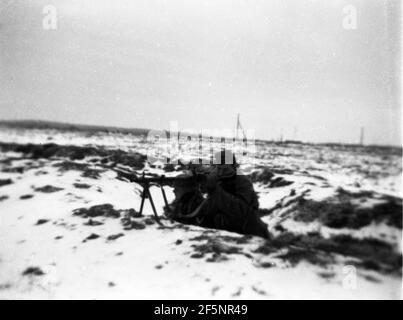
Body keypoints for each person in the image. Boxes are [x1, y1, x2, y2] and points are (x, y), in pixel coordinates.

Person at [167, 150, 269, 239]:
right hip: (222, 219)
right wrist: (198, 172)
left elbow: (241, 210)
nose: (221, 172)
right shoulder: (218, 174)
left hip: (246, 226)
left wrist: (216, 190)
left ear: (233, 167)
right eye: (218, 168)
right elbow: (209, 175)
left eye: (225, 168)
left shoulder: (242, 182)